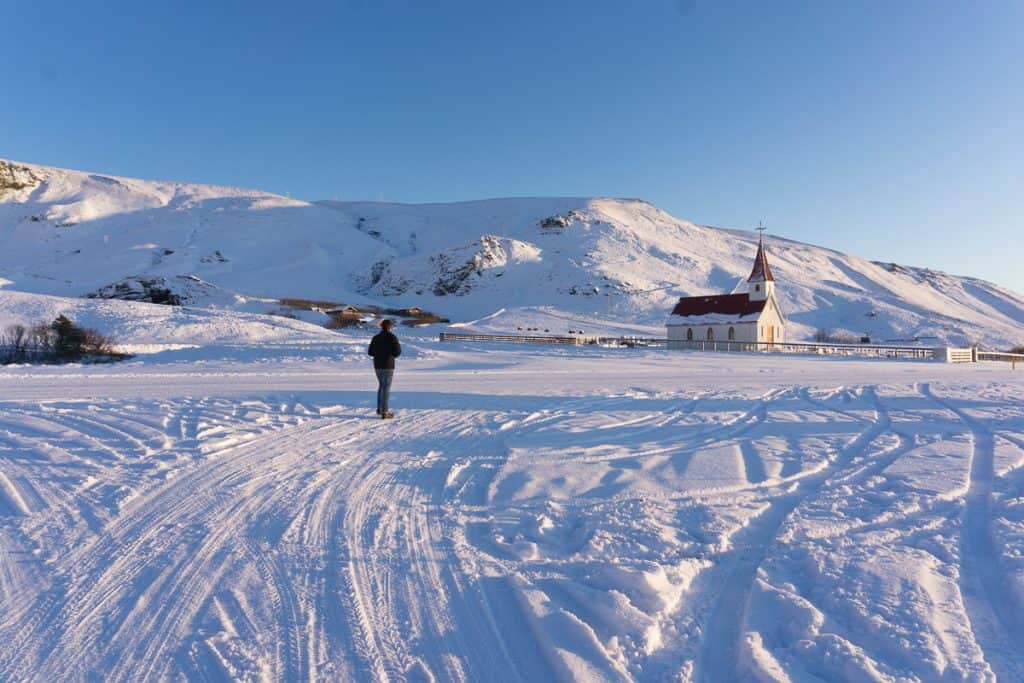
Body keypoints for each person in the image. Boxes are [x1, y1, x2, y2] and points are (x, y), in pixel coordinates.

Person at [368, 319, 401, 419]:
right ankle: (385, 411)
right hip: (388, 365)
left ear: (381, 326)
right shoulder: (392, 337)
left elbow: (370, 352)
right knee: (386, 388)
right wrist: (390, 355)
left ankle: (380, 409)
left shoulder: (376, 337)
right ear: (390, 327)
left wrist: (379, 354)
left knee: (381, 386)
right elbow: (398, 352)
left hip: (377, 365)